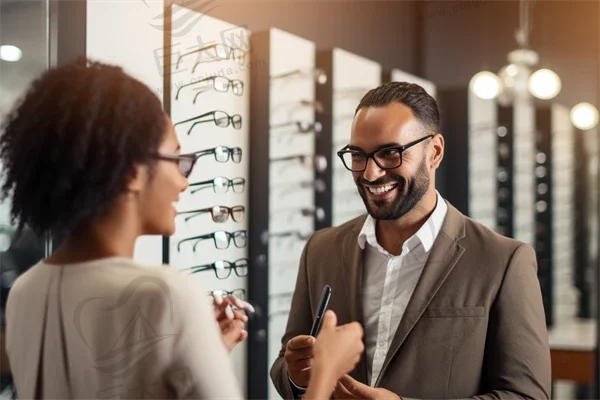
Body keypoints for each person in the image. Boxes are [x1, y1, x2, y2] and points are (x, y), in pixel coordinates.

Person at [0, 58, 365, 400]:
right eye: (178, 160)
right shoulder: (166, 293)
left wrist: (202, 350)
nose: (183, 182)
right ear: (131, 172)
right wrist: (327, 370)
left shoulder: (27, 291)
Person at [271, 81, 551, 399]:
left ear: (434, 152)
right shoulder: (320, 250)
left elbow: (527, 396)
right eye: (358, 155)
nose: (370, 174)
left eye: (390, 153)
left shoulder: (503, 260)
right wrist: (296, 374)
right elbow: (287, 370)